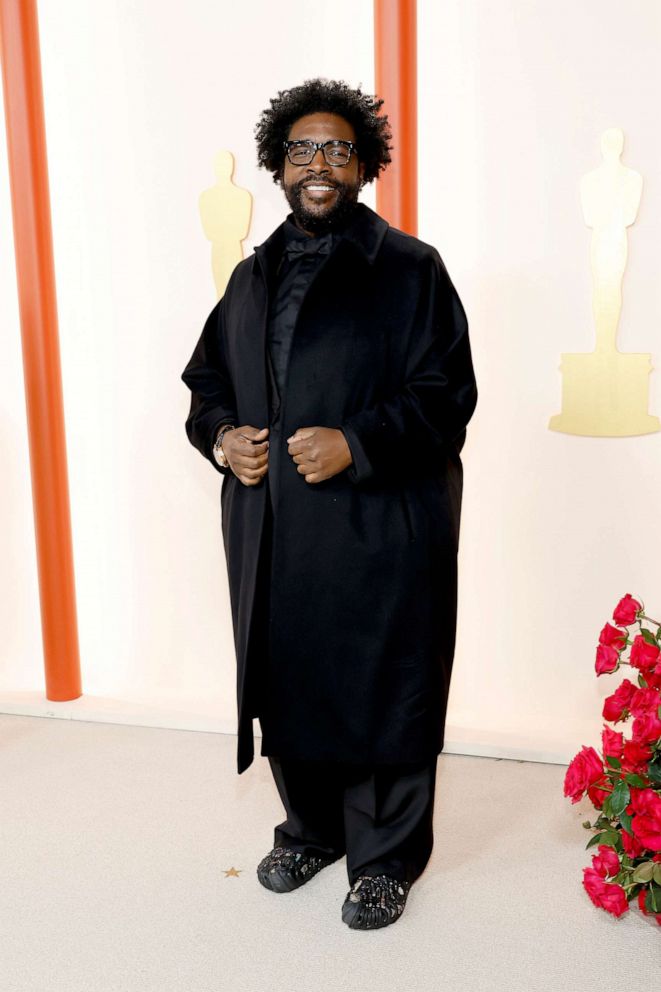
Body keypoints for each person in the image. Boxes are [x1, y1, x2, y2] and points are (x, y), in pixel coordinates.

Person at [181, 78, 478, 930]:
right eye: (303, 149)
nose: (320, 164)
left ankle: (384, 857)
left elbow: (446, 393)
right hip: (276, 531)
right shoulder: (249, 277)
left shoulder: (410, 271)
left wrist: (359, 440)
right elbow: (205, 384)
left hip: (378, 524)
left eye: (339, 149)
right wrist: (221, 436)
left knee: (384, 682)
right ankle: (310, 830)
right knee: (291, 677)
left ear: (365, 166)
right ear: (277, 165)